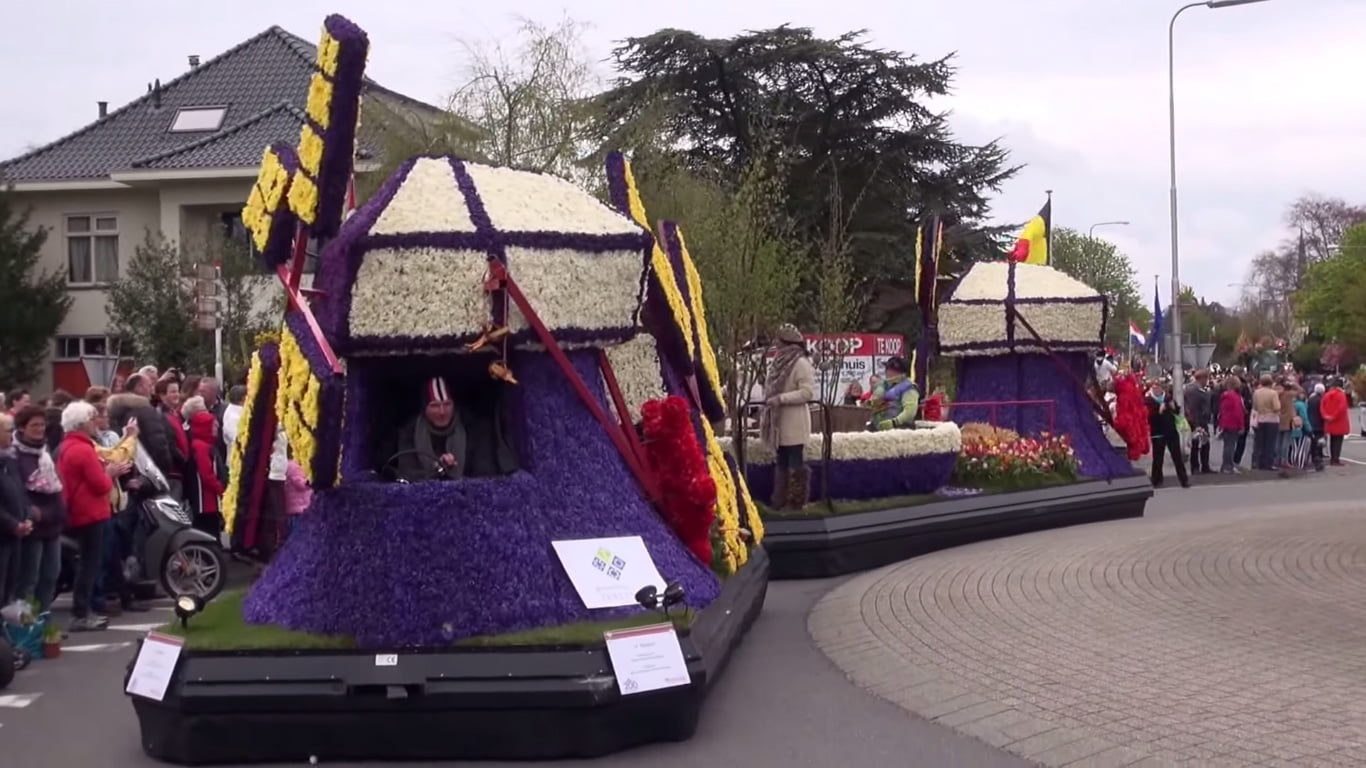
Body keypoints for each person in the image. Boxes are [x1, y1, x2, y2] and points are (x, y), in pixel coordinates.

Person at [56, 401, 130, 631]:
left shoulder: (69, 447)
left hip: (82, 512)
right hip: (91, 514)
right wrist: (109, 473)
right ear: (80, 424)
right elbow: (100, 485)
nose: (94, 423)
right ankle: (81, 613)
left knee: (88, 564)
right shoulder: (82, 449)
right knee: (89, 565)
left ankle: (83, 611)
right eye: (90, 419)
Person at [10, 406, 65, 613]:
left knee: (51, 575)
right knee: (29, 579)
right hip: (33, 525)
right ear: (22, 428)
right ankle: (26, 626)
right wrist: (32, 512)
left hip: (53, 523)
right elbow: (16, 489)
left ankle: (44, 622)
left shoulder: (44, 451)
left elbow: (55, 483)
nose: (39, 429)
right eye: (34, 425)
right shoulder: (14, 455)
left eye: (42, 424)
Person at [759, 325, 815, 510]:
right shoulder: (778, 362)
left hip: (794, 423)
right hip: (779, 423)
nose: (776, 344)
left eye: (779, 341)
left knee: (795, 462)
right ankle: (779, 499)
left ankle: (797, 501)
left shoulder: (801, 363)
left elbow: (807, 393)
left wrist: (781, 399)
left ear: (787, 343)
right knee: (782, 461)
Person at [396, 377, 468, 483]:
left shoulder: (471, 429)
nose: (442, 412)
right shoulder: (409, 433)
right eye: (435, 406)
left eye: (447, 404)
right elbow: (407, 472)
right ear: (425, 408)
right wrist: (438, 469)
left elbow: (482, 472)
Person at [0, 413, 35, 604]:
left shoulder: (9, 461)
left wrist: (28, 516)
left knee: (11, 584)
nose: (11, 435)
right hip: (5, 533)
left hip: (15, 534)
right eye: (7, 431)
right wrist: (13, 524)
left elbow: (22, 493)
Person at [185, 404, 226, 539]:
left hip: (208, 498)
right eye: (213, 425)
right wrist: (220, 488)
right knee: (207, 531)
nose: (217, 428)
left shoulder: (204, 444)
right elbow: (206, 474)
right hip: (205, 500)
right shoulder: (201, 447)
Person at [1145, 379, 1190, 488]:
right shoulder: (1148, 400)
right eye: (1154, 387)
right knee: (1158, 458)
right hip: (1157, 432)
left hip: (1171, 431)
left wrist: (1174, 408)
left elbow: (1177, 412)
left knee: (1177, 457)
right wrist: (1158, 412)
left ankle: (1184, 480)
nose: (1156, 389)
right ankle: (1156, 480)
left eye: (1158, 387)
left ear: (1162, 388)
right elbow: (1147, 417)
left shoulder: (1168, 398)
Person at [868, 357, 921, 431]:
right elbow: (870, 405)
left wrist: (894, 422)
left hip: (900, 429)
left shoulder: (909, 388)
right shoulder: (883, 385)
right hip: (877, 427)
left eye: (889, 369)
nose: (886, 371)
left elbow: (910, 412)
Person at [1182, 369, 1212, 474]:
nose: (1207, 381)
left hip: (1197, 420)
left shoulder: (1192, 388)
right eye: (1206, 378)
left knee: (1202, 443)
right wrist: (1197, 424)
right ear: (1202, 378)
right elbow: (1193, 408)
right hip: (1197, 420)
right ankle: (1198, 467)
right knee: (1198, 443)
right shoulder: (1194, 391)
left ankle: (1202, 466)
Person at [1250, 375, 1281, 471]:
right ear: (1271, 382)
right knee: (1270, 443)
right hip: (1271, 419)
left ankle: (1257, 462)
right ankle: (1268, 463)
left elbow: (1254, 406)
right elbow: (1276, 407)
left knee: (1259, 442)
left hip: (1260, 419)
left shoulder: (1256, 393)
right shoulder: (1273, 393)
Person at [1216, 376, 1244, 474]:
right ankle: (1228, 466)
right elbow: (1238, 412)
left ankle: (1225, 465)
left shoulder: (1225, 396)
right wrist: (1241, 425)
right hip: (1233, 423)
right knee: (1231, 445)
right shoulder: (1235, 396)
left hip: (1226, 422)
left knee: (1227, 445)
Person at [1320, 379, 1350, 467]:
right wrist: (1334, 416)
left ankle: (1333, 458)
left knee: (1332, 440)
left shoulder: (1327, 395)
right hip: (1339, 421)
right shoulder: (1341, 395)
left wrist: (1325, 415)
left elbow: (1322, 406)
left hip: (1329, 421)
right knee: (1338, 441)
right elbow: (1341, 408)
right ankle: (1335, 459)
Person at [1307, 382, 1326, 471]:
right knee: (1320, 442)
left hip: (1311, 422)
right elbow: (1323, 412)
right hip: (1319, 423)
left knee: (1312, 442)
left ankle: (1313, 456)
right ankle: (1318, 458)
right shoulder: (1321, 400)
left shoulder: (1310, 399)